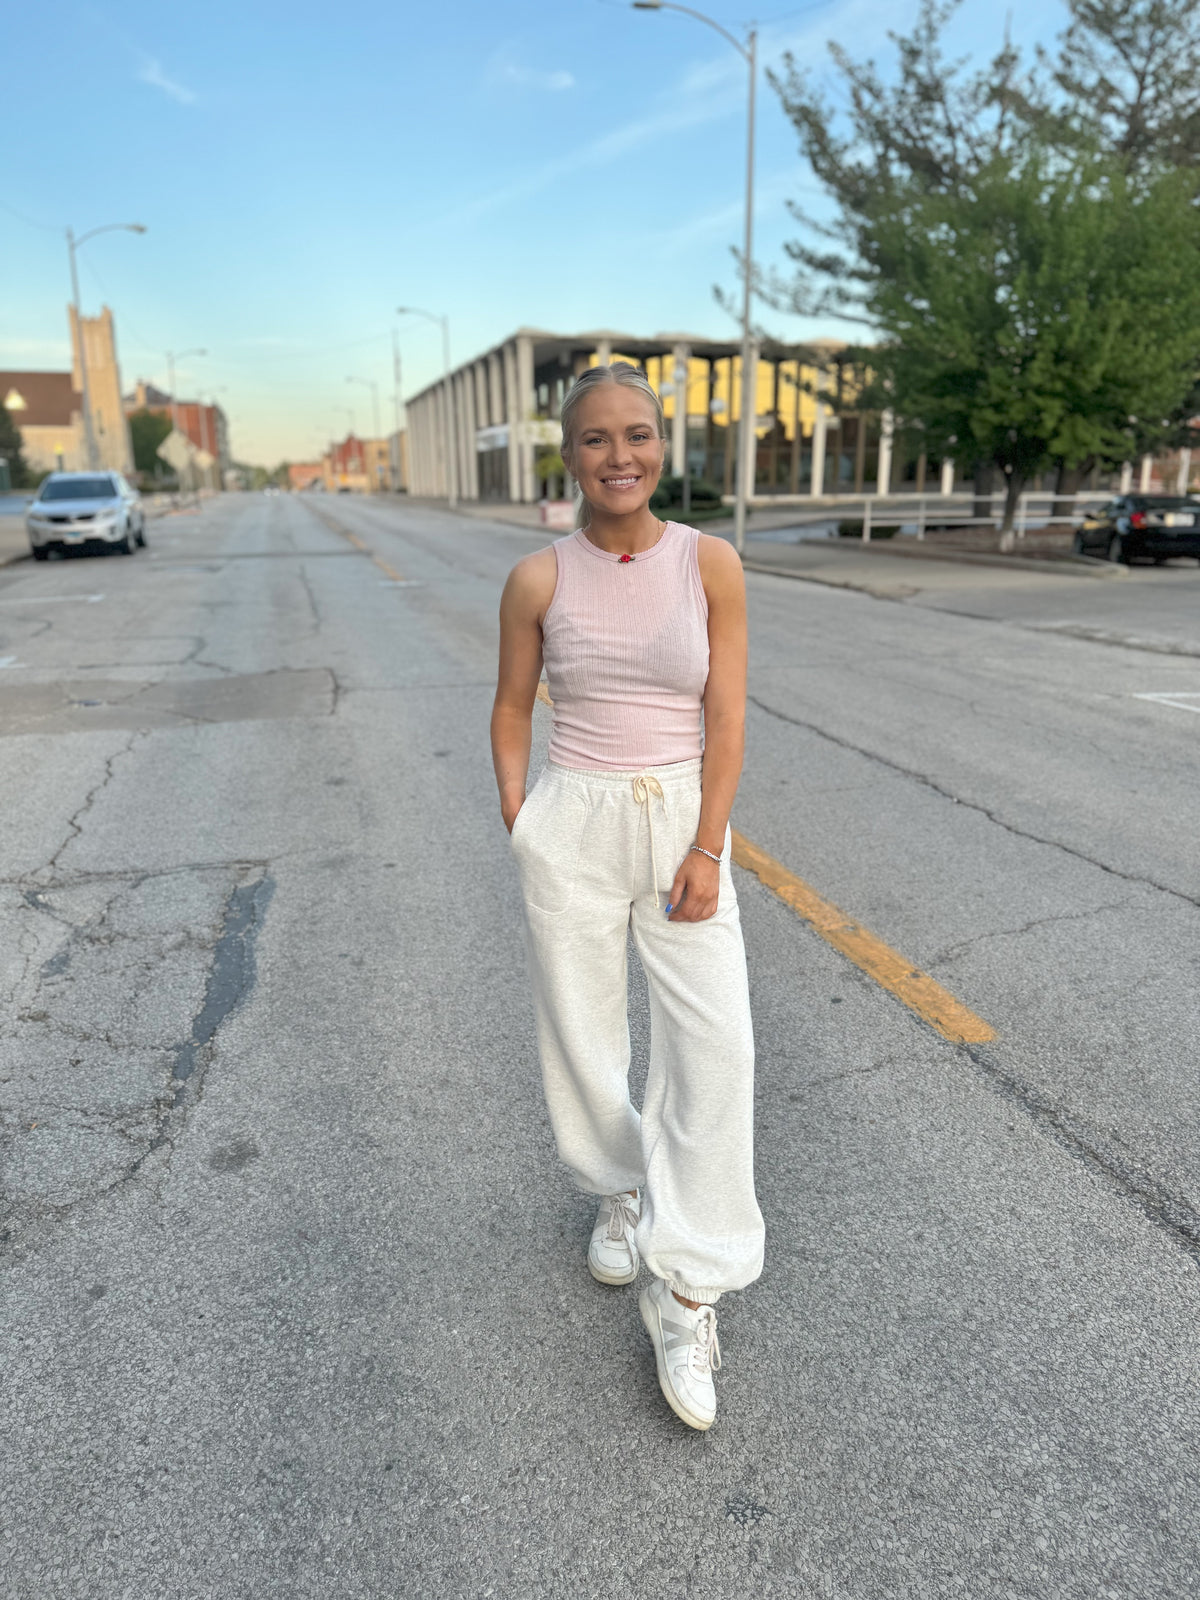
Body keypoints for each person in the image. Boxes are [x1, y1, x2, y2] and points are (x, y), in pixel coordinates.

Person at [491, 362, 764, 1431]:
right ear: (570, 456)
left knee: (717, 1048)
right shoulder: (538, 578)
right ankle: (618, 1188)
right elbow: (512, 707)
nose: (621, 456)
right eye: (598, 439)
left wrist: (708, 844)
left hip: (684, 824)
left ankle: (687, 1285)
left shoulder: (712, 563)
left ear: (663, 446)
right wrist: (525, 823)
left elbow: (729, 718)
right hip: (578, 820)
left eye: (639, 435)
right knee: (584, 1029)